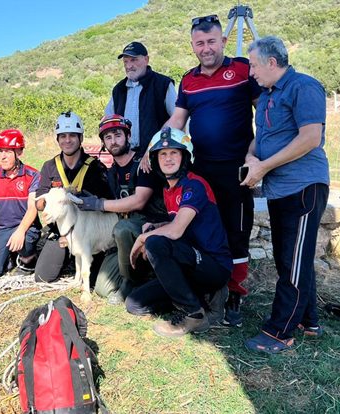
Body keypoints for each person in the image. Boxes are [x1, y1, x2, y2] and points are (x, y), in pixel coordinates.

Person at [161, 14, 261, 328]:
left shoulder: (244, 70)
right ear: (193, 46)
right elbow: (176, 121)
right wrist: (152, 148)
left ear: (223, 41)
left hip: (237, 170)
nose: (206, 48)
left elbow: (267, 115)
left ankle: (235, 294)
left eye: (211, 41)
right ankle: (208, 288)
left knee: (236, 233)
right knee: (200, 230)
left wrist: (254, 153)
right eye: (200, 43)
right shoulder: (188, 79)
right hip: (201, 169)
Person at [241, 36, 330, 354]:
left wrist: (263, 165)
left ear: (271, 63)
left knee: (292, 261)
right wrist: (253, 159)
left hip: (304, 186)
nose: (250, 72)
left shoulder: (304, 87)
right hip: (279, 190)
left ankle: (280, 331)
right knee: (290, 258)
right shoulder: (265, 97)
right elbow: (261, 139)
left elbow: (310, 138)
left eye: (253, 65)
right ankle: (310, 321)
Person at [124, 127, 232, 338]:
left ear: (185, 156)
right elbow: (177, 223)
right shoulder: (168, 190)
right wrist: (155, 227)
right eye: (162, 154)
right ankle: (204, 297)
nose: (168, 158)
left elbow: (176, 230)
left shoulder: (194, 185)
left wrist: (144, 238)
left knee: (155, 243)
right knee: (134, 303)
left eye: (174, 152)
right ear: (155, 160)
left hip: (212, 264)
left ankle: (194, 315)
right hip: (188, 263)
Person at [75, 115, 169, 304]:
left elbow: (139, 201)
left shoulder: (143, 163)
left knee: (122, 228)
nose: (113, 141)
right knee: (103, 287)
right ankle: (143, 273)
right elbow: (115, 202)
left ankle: (129, 282)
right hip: (128, 229)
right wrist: (90, 200)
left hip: (152, 224)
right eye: (107, 138)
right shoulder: (112, 172)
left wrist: (99, 205)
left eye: (117, 135)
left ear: (128, 136)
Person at [34, 112, 115, 283]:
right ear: (57, 139)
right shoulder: (50, 166)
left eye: (72, 135)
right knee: (43, 276)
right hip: (60, 231)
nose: (67, 140)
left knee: (93, 281)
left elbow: (107, 202)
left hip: (89, 234)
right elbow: (39, 203)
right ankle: (67, 257)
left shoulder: (95, 167)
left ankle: (92, 258)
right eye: (62, 136)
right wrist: (50, 201)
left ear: (81, 138)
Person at [0, 129, 41, 279]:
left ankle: (28, 259)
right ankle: (10, 255)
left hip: (25, 228)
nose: (2, 156)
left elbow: (32, 208)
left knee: (26, 244)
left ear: (19, 152)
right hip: (1, 228)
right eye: (0, 151)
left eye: (7, 151)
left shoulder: (32, 175)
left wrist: (20, 231)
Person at [105, 42, 177, 158]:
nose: (129, 66)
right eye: (126, 62)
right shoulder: (118, 89)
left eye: (133, 60)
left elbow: (179, 119)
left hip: (157, 156)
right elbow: (109, 122)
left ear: (146, 60)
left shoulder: (163, 84)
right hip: (126, 158)